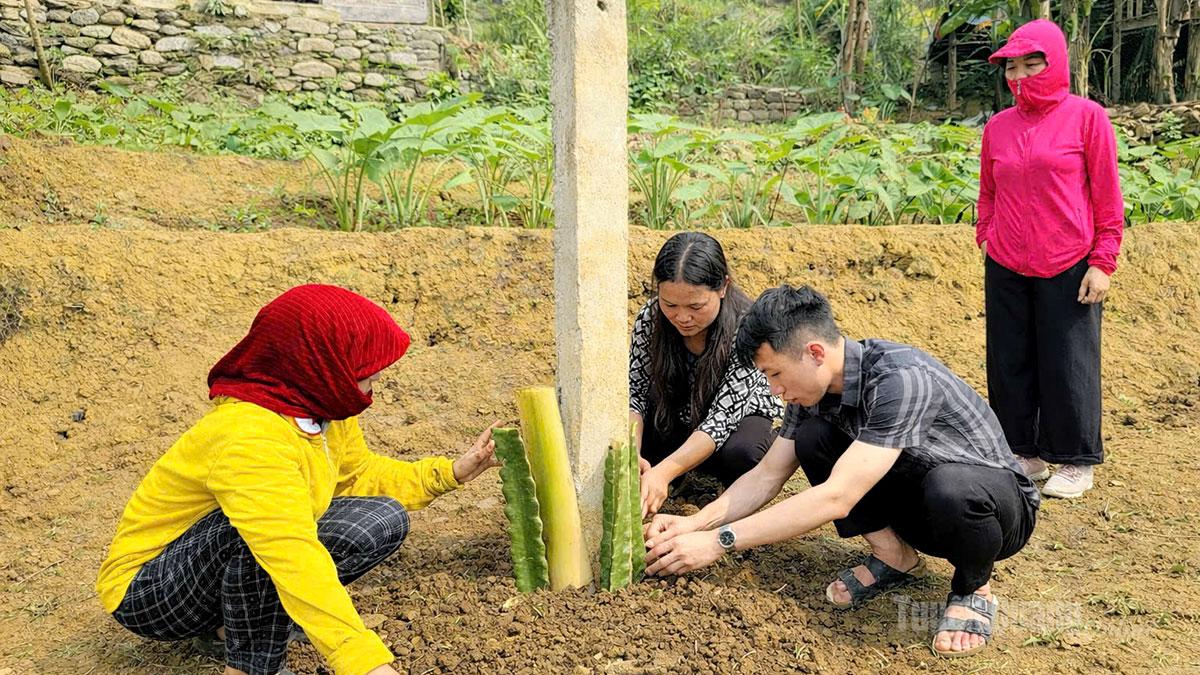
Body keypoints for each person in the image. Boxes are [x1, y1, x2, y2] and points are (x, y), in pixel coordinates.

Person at [96, 285, 499, 675]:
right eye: (364, 370)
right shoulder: (248, 435)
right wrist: (366, 664)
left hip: (226, 556)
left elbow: (358, 474)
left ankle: (230, 627)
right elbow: (290, 552)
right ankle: (249, 667)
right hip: (152, 589)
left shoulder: (320, 408)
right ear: (321, 364)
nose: (375, 380)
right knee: (264, 538)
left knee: (382, 518)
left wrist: (450, 473)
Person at [643, 285, 1039, 658]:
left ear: (814, 352)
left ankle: (974, 589)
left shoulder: (900, 379)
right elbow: (767, 474)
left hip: (992, 513)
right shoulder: (812, 392)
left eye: (774, 374)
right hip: (920, 500)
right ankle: (895, 556)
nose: (773, 391)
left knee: (951, 487)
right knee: (814, 438)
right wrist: (696, 524)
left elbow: (838, 496)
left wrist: (718, 542)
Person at [977, 19, 1124, 499]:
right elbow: (989, 191)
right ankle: (1024, 451)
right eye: (1012, 66)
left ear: (1055, 61)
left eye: (1031, 63)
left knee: (1068, 361)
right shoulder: (998, 127)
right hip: (1006, 261)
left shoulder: (1087, 118)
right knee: (1010, 359)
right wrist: (986, 232)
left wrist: (1103, 260)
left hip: (1069, 260)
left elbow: (1107, 196)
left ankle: (1076, 458)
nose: (1020, 75)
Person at [630, 232, 782, 517]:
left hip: (730, 427)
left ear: (723, 287)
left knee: (745, 452)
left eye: (696, 306)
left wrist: (663, 473)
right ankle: (675, 465)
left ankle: (711, 480)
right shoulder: (650, 318)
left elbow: (720, 421)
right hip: (675, 415)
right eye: (670, 305)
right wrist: (632, 453)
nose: (682, 317)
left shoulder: (747, 328)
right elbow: (635, 393)